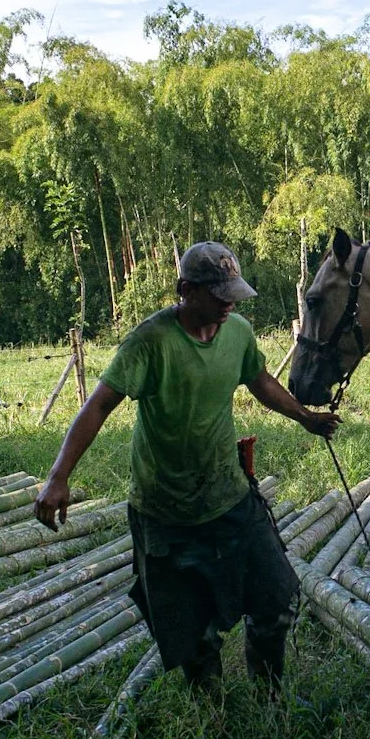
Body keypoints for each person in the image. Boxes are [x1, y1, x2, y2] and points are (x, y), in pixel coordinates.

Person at [35, 241, 339, 692]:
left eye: (232, 294)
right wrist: (58, 477)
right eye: (218, 295)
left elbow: (259, 381)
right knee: (193, 636)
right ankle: (211, 714)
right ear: (185, 290)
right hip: (166, 512)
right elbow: (97, 406)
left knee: (276, 601)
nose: (228, 304)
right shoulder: (149, 342)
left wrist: (306, 417)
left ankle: (267, 694)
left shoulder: (236, 332)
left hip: (230, 497)